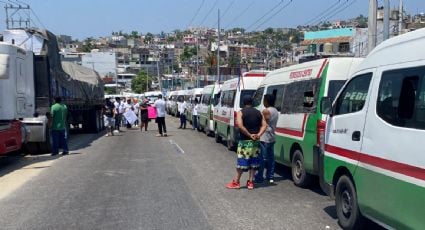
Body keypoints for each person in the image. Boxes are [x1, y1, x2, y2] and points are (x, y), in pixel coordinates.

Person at [226, 96, 266, 190]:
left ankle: (236, 182)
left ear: (244, 103)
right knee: (253, 163)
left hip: (244, 142)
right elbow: (264, 125)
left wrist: (249, 134)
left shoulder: (241, 112)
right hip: (255, 142)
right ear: (252, 102)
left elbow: (240, 125)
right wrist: (258, 134)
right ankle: (250, 182)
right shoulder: (259, 112)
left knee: (241, 163)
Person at [254, 94, 279, 184]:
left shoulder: (266, 111)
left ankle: (260, 176)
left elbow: (263, 123)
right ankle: (270, 176)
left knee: (262, 158)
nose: (263, 102)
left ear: (267, 101)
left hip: (264, 137)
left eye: (264, 100)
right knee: (271, 158)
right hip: (272, 136)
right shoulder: (276, 110)